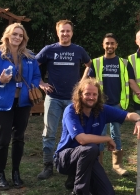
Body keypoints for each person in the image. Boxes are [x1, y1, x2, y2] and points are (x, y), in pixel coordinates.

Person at [54, 78, 140, 195]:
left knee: (108, 192)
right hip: (65, 159)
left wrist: (139, 120)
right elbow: (82, 139)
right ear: (80, 94)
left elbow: (128, 115)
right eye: (87, 94)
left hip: (89, 159)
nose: (91, 97)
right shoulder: (71, 110)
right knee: (91, 148)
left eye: (94, 94)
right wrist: (107, 138)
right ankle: (79, 191)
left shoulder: (102, 110)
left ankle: (76, 179)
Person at [0, 23, 41, 190]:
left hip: (23, 103)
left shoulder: (29, 56)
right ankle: (0, 174)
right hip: (3, 104)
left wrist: (33, 86)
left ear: (24, 38)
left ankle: (16, 172)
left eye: (20, 35)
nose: (17, 37)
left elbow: (36, 76)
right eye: (14, 34)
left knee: (19, 138)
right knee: (3, 140)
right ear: (7, 35)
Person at [36, 19, 92, 180]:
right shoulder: (49, 50)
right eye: (62, 31)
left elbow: (89, 64)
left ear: (72, 33)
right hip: (53, 98)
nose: (65, 34)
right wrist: (41, 83)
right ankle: (48, 166)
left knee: (74, 133)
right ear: (57, 32)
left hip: (73, 100)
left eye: (68, 31)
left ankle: (71, 166)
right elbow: (32, 65)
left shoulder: (78, 50)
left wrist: (82, 81)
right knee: (49, 133)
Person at [88, 33, 130, 176]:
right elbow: (88, 82)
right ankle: (98, 166)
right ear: (103, 45)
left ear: (116, 45)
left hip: (117, 104)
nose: (110, 46)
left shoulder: (124, 63)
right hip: (99, 105)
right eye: (107, 43)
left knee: (116, 134)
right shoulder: (97, 62)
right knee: (99, 134)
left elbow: (129, 82)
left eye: (112, 43)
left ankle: (117, 165)